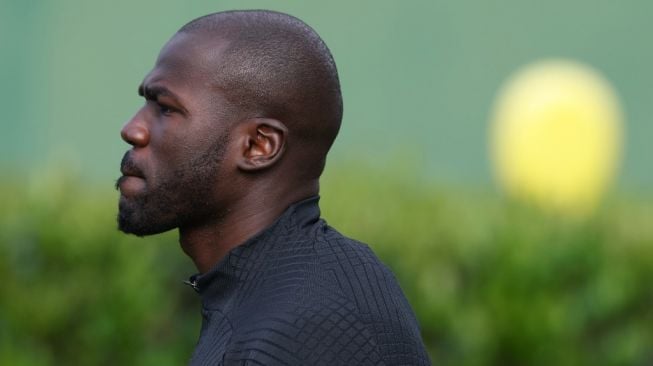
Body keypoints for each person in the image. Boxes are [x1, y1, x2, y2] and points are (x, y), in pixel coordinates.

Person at [116, 10, 430, 365]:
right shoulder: (282, 288)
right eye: (145, 102)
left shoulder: (306, 326)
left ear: (258, 147)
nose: (132, 129)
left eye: (166, 109)